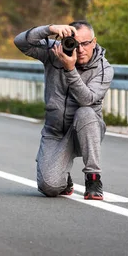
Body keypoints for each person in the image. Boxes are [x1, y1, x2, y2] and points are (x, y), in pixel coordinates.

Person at [14, 21, 114, 200]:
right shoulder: (55, 52)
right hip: (55, 132)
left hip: (86, 131)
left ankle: (93, 179)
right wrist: (49, 29)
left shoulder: (104, 68)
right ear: (66, 42)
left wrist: (69, 69)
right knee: (49, 187)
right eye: (75, 44)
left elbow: (87, 100)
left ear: (94, 41)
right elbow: (20, 42)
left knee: (85, 112)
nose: (81, 49)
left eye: (86, 43)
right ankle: (63, 177)